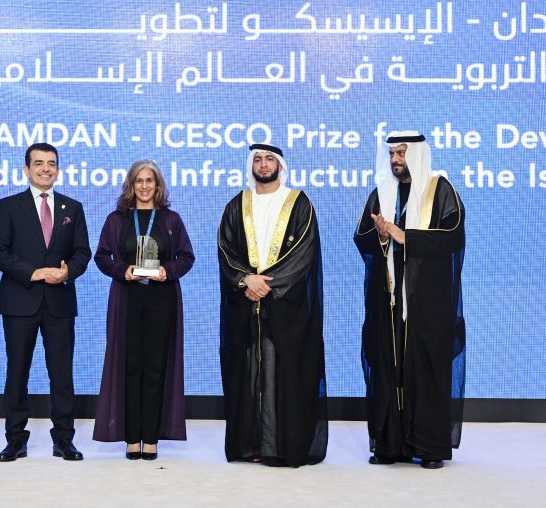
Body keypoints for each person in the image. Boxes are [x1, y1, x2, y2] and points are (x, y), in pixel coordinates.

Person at [353, 131, 466, 470]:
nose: (395, 160)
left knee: (425, 367)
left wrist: (407, 237)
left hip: (427, 302)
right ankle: (389, 444)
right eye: (391, 154)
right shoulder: (381, 194)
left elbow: (453, 237)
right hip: (388, 300)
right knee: (388, 367)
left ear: (415, 154)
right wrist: (381, 236)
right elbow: (361, 237)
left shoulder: (441, 191)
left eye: (401, 153)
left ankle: (429, 447)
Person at [217, 144, 327, 467]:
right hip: (245, 308)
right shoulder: (237, 205)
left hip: (287, 309)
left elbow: (304, 252)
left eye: (269, 160)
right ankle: (250, 445)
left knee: (284, 375)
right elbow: (225, 248)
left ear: (280, 165)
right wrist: (245, 280)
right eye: (258, 160)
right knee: (249, 373)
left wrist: (266, 284)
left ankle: (281, 448)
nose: (263, 165)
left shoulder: (299, 202)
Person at [0, 142, 91, 462]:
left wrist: (67, 272)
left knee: (61, 375)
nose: (45, 169)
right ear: (26, 169)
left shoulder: (73, 208)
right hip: (20, 301)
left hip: (60, 302)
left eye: (51, 163)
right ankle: (15, 440)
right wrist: (33, 273)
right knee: (17, 373)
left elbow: (82, 253)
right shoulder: (9, 206)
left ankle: (64, 439)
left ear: (58, 170)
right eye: (39, 163)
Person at [93, 160, 195, 460]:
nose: (145, 186)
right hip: (127, 299)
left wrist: (167, 271)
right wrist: (122, 270)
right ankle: (131, 437)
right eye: (139, 180)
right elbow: (101, 257)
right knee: (130, 366)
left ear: (158, 185)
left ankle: (150, 438)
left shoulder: (171, 219)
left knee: (155, 368)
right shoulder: (116, 219)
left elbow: (186, 257)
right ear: (131, 185)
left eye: (150, 180)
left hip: (162, 299)